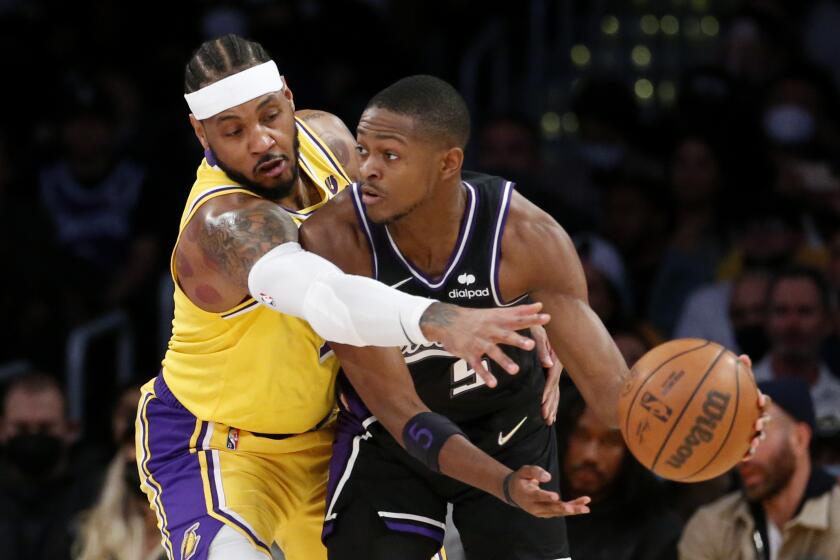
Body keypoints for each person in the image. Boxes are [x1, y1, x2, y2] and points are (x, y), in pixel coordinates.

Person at [138, 35, 563, 560]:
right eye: (233, 131)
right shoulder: (221, 225)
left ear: (290, 97)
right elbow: (327, 297)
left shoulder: (331, 140)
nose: (262, 141)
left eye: (270, 115)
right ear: (200, 132)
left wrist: (514, 303)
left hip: (329, 435)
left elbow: (425, 214)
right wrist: (445, 318)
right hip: (222, 443)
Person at [299, 74, 642, 560]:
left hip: (508, 427)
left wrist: (703, 416)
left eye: (389, 155)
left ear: (448, 163)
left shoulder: (526, 240)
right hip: (391, 437)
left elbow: (614, 401)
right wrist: (502, 486)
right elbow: (400, 410)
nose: (367, 170)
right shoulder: (335, 240)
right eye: (363, 150)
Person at [678, 378, 840, 560]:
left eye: (755, 434)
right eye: (735, 441)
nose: (742, 456)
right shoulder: (711, 525)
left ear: (799, 439)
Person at [558, 384, 682, 560]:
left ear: (631, 450)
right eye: (581, 435)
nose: (590, 455)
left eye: (610, 441)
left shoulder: (658, 529)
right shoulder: (526, 500)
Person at [0, 372, 102, 560]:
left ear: (71, 429)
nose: (33, 436)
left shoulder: (99, 494)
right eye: (21, 428)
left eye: (45, 428)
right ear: (2, 429)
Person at [753, 268, 840, 427]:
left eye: (805, 311)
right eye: (781, 311)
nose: (792, 324)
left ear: (828, 322)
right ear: (766, 319)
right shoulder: (741, 393)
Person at [74, 418, 164, 560]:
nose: (133, 454)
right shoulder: (94, 532)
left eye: (149, 446)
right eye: (131, 446)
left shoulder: (193, 533)